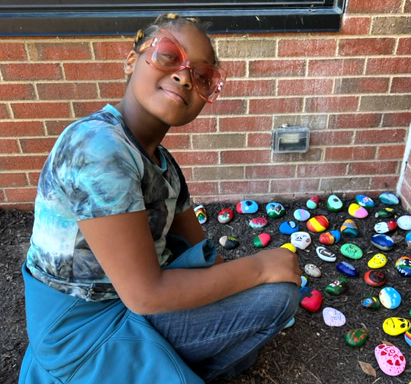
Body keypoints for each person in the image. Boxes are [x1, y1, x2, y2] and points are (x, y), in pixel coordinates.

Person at [19, 13, 301, 384]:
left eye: (202, 76)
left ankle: (176, 366)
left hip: (128, 303)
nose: (185, 76)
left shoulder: (161, 163)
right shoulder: (99, 148)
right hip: (84, 329)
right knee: (275, 296)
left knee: (269, 290)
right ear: (131, 60)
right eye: (169, 56)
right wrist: (262, 267)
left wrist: (247, 278)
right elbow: (145, 295)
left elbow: (199, 250)